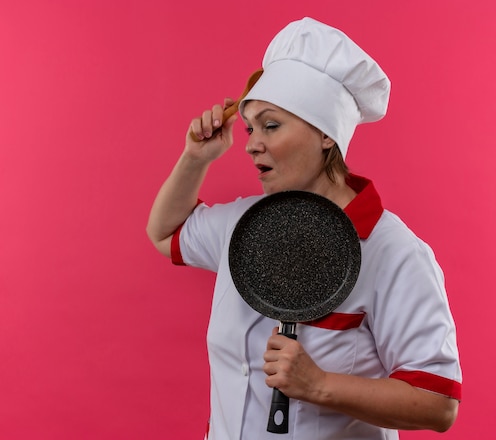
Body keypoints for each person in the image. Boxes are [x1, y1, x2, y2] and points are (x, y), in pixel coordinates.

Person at [147, 17, 462, 440]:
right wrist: (195, 159)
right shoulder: (242, 223)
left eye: (271, 125)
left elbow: (438, 402)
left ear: (326, 135)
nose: (251, 143)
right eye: (250, 127)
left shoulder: (393, 252)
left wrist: (319, 386)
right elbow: (166, 235)